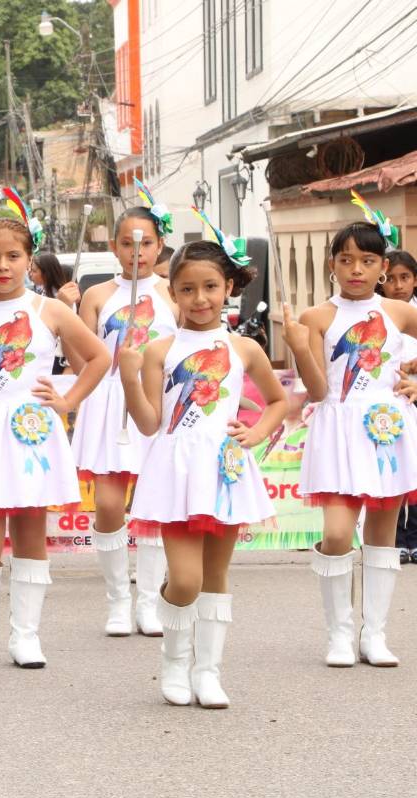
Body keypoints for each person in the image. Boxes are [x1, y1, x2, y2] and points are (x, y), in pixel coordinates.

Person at [0, 215, 109, 670]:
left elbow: (98, 356)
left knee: (32, 530)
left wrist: (68, 399)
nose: (3, 265)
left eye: (13, 256)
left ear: (30, 260)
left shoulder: (48, 310)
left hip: (32, 429)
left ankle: (26, 636)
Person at [120, 232, 285, 708]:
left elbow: (277, 402)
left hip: (224, 469)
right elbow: (150, 422)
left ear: (229, 287)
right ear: (173, 292)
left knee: (216, 576)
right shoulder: (158, 350)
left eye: (210, 286)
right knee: (186, 580)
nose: (200, 298)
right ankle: (174, 661)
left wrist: (255, 434)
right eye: (187, 289)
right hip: (174, 470)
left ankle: (208, 671)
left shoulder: (244, 348)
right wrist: (129, 378)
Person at [281, 198, 417, 669]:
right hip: (337, 426)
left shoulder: (398, 313)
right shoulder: (317, 317)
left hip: (387, 429)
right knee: (338, 534)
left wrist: (414, 379)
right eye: (346, 260)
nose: (356, 269)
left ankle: (373, 634)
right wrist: (299, 347)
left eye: (367, 260)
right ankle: (339, 633)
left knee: (383, 534)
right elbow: (318, 389)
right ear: (332, 264)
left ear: (383, 266)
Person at [70, 192, 179, 638]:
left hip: (155, 401)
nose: (138, 253)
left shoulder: (175, 293)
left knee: (152, 504)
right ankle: (118, 599)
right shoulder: (96, 295)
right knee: (110, 504)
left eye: (147, 243)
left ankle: (149, 602)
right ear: (114, 247)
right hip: (108, 401)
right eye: (128, 244)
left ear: (159, 246)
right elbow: (81, 360)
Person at [381, 249, 417, 563]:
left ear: (415, 280)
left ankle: (414, 538)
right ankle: (395, 539)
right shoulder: (380, 317)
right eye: (390, 278)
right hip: (388, 408)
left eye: (404, 277)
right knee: (395, 473)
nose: (398, 285)